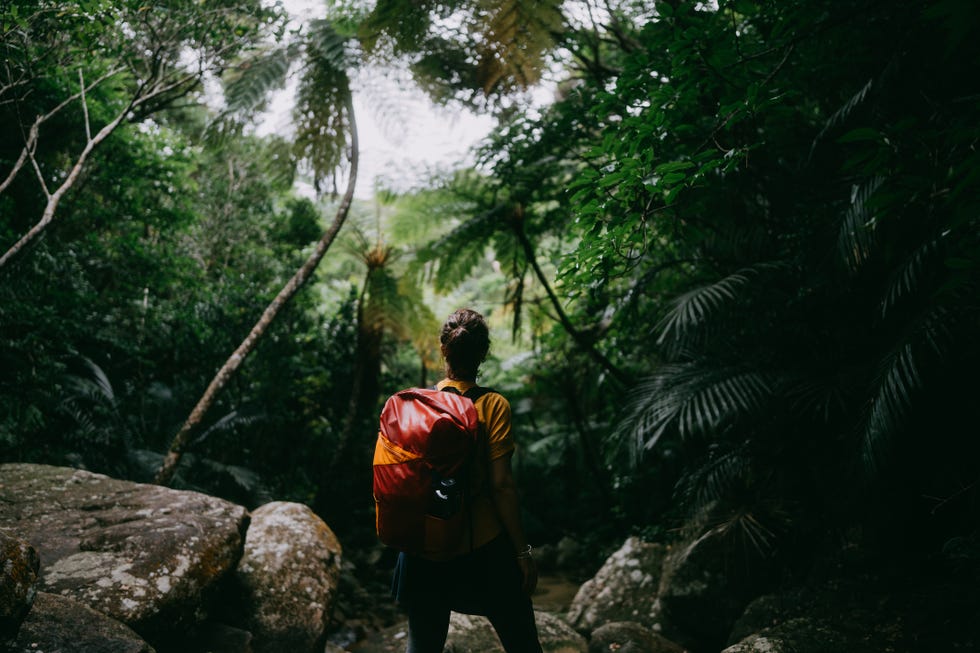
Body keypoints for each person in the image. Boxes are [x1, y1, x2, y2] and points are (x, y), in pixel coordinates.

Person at [390, 308, 543, 653]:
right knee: (522, 642)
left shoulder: (415, 405)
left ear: (443, 349)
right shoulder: (492, 405)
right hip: (481, 545)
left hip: (423, 547)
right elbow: (502, 485)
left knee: (423, 647)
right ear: (484, 353)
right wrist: (522, 551)